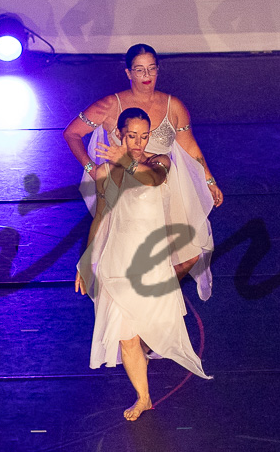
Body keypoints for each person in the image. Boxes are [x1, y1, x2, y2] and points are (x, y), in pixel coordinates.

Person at [76, 107, 211, 422]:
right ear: (120, 134)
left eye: (144, 135)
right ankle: (143, 397)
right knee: (126, 337)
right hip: (115, 263)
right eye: (132, 136)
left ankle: (148, 353)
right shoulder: (105, 171)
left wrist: (126, 160)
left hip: (149, 265)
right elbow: (100, 218)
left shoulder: (159, 162)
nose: (138, 142)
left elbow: (151, 181)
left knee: (146, 329)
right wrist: (84, 261)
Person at [63, 43, 220, 299]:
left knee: (188, 255)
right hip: (127, 190)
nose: (146, 75)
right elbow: (72, 133)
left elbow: (190, 146)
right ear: (128, 72)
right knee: (130, 257)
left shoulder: (173, 106)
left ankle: (155, 300)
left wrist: (209, 180)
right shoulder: (110, 105)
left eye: (151, 69)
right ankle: (137, 308)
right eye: (139, 69)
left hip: (164, 186)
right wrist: (91, 168)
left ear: (158, 70)